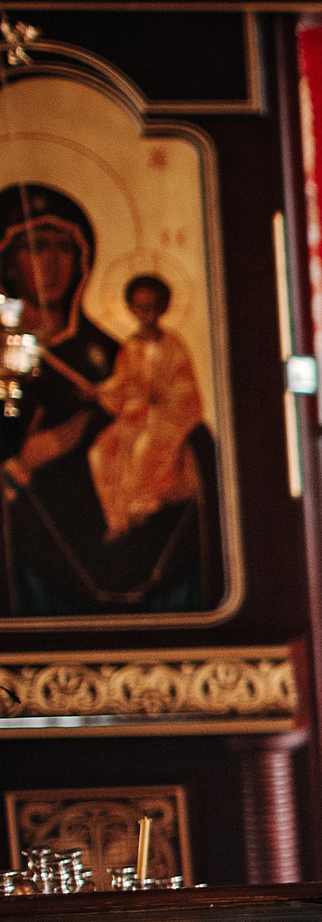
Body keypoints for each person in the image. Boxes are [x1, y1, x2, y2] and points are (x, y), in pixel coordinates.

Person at [0, 185, 221, 618]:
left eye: (64, 247)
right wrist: (21, 461)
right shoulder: (8, 354)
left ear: (84, 258)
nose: (51, 263)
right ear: (7, 261)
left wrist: (187, 453)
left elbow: (167, 411)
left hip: (125, 526)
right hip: (35, 550)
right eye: (34, 247)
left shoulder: (113, 352)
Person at [87, 275, 204, 546]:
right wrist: (99, 391)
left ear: (162, 308)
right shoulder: (130, 347)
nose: (145, 314)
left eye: (151, 307)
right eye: (139, 308)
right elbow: (121, 384)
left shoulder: (174, 346)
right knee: (100, 452)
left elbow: (186, 391)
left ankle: (141, 509)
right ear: (132, 309)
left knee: (144, 447)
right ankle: (117, 520)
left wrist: (161, 400)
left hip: (167, 419)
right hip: (133, 417)